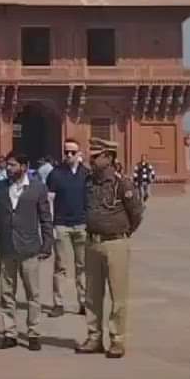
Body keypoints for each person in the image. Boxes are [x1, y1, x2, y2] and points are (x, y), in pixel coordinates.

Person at [76, 138, 143, 359]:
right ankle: (94, 337)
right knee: (92, 295)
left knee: (118, 295)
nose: (91, 159)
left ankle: (117, 340)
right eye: (91, 155)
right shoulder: (89, 182)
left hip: (115, 243)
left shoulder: (122, 184)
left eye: (97, 156)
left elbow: (136, 213)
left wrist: (123, 233)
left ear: (109, 157)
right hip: (92, 242)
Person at [0, 153, 52, 351]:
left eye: (13, 165)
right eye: (7, 165)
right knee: (7, 293)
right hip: (6, 247)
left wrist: (47, 243)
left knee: (33, 293)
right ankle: (10, 333)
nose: (9, 168)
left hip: (29, 248)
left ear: (24, 166)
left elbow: (45, 218)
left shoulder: (37, 188)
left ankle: (33, 333)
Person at [47, 139, 88, 318]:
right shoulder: (55, 174)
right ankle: (58, 303)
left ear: (80, 154)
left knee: (83, 265)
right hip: (62, 224)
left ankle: (84, 302)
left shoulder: (86, 174)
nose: (69, 155)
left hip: (81, 224)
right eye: (66, 152)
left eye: (72, 152)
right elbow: (49, 201)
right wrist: (51, 225)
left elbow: (91, 200)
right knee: (60, 266)